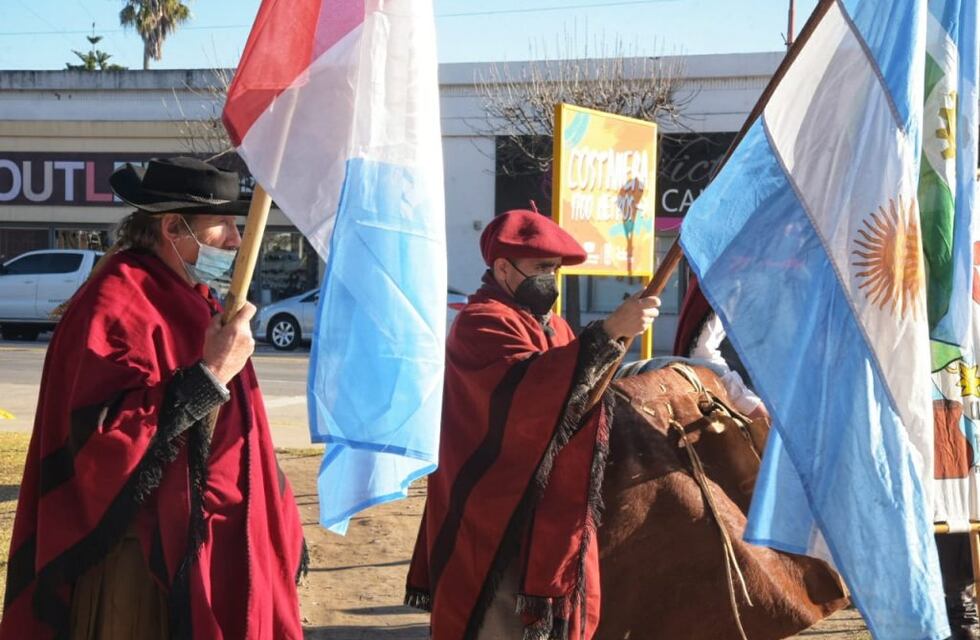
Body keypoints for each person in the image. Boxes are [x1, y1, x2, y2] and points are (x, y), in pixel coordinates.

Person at [0, 157, 307, 640]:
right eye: (222, 224)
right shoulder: (116, 301)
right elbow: (100, 437)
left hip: (209, 540)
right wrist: (211, 373)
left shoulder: (194, 296)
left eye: (236, 223)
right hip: (138, 563)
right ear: (172, 227)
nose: (235, 239)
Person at [405, 208, 661, 639]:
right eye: (542, 267)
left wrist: (613, 342)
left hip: (545, 510)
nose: (552, 279)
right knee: (495, 623)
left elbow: (576, 396)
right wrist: (608, 331)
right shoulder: (481, 320)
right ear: (503, 268)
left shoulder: (554, 326)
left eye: (556, 269)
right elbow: (532, 392)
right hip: (493, 512)